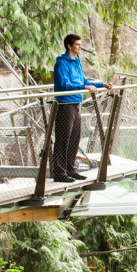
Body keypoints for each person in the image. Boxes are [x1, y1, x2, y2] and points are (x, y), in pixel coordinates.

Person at [51, 33, 111, 181]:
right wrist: (84, 86)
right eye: (77, 44)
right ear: (69, 46)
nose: (80, 47)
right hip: (65, 105)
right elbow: (65, 84)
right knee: (63, 139)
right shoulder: (61, 63)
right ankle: (59, 173)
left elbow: (84, 80)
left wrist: (102, 84)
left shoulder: (77, 62)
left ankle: (71, 170)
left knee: (74, 139)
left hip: (76, 104)